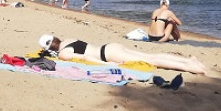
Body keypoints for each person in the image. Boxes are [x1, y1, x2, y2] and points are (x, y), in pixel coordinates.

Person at [38, 35, 206, 74]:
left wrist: (110, 65)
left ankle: (189, 66)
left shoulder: (63, 54)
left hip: (108, 55)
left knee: (152, 61)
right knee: (150, 55)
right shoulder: (68, 40)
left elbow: (87, 59)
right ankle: (187, 60)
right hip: (110, 46)